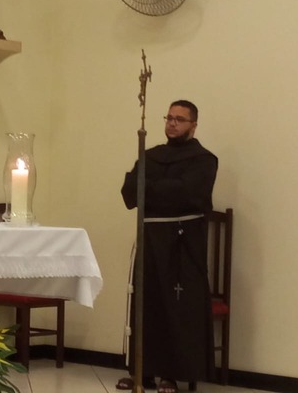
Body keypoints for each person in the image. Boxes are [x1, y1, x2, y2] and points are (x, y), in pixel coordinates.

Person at [118, 100, 218, 393]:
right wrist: (162, 189)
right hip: (150, 239)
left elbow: (188, 193)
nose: (172, 123)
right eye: (169, 117)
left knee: (176, 306)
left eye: (180, 119)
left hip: (182, 243)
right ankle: (142, 371)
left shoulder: (204, 160)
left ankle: (171, 374)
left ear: (193, 125)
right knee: (146, 303)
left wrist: (151, 188)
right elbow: (129, 193)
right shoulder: (150, 156)